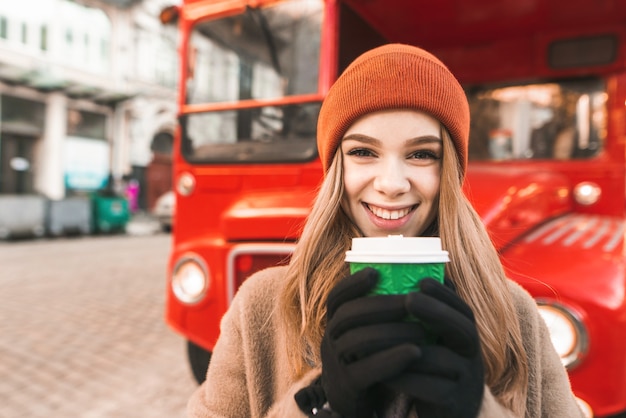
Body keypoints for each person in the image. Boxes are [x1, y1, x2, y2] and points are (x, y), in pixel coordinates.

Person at [187, 43, 585, 418]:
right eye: (363, 152)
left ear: (449, 173)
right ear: (335, 170)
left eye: (422, 154)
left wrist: (477, 410)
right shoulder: (260, 307)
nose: (392, 183)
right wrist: (320, 405)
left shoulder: (514, 311)